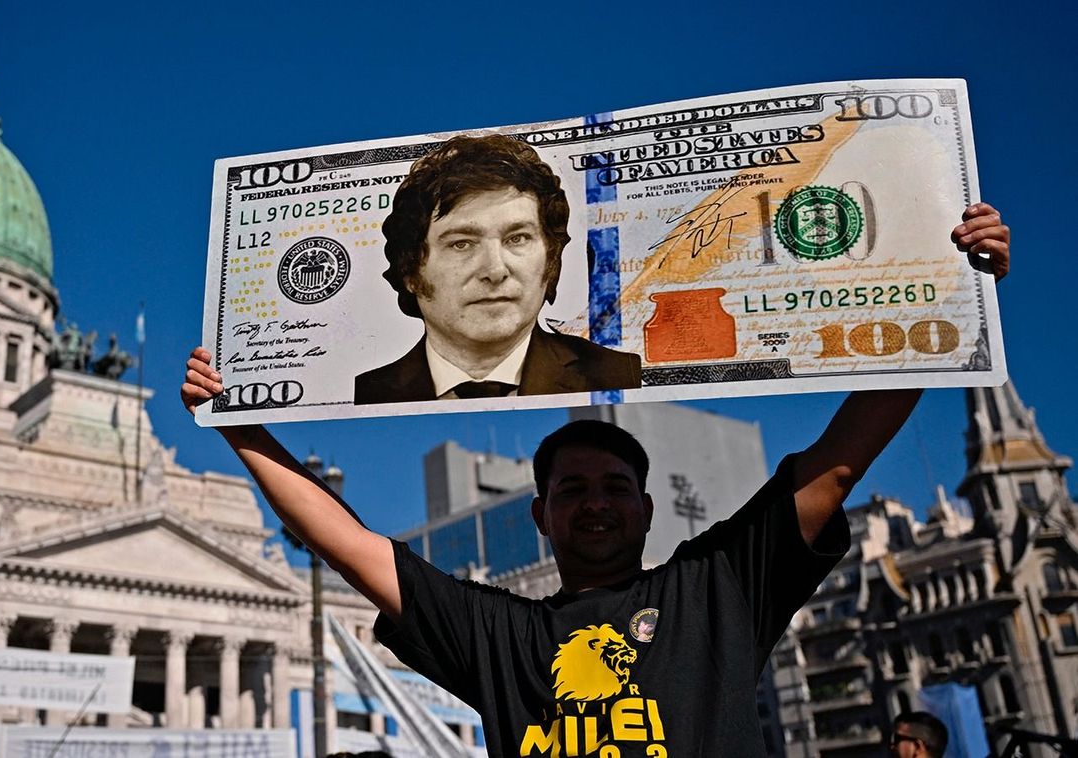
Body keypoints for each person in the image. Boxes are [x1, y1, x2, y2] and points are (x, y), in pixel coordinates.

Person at [184, 204, 1008, 756]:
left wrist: (953, 295)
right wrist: (238, 426)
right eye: (572, 491)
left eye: (613, 486)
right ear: (541, 516)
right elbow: (348, 545)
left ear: (647, 508)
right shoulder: (500, 636)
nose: (596, 503)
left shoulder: (715, 590)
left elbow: (839, 459)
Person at [354, 134, 641, 405]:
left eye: (517, 239)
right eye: (462, 244)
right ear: (411, 272)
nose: (495, 270)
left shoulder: (621, 375)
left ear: (550, 259)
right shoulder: (366, 392)